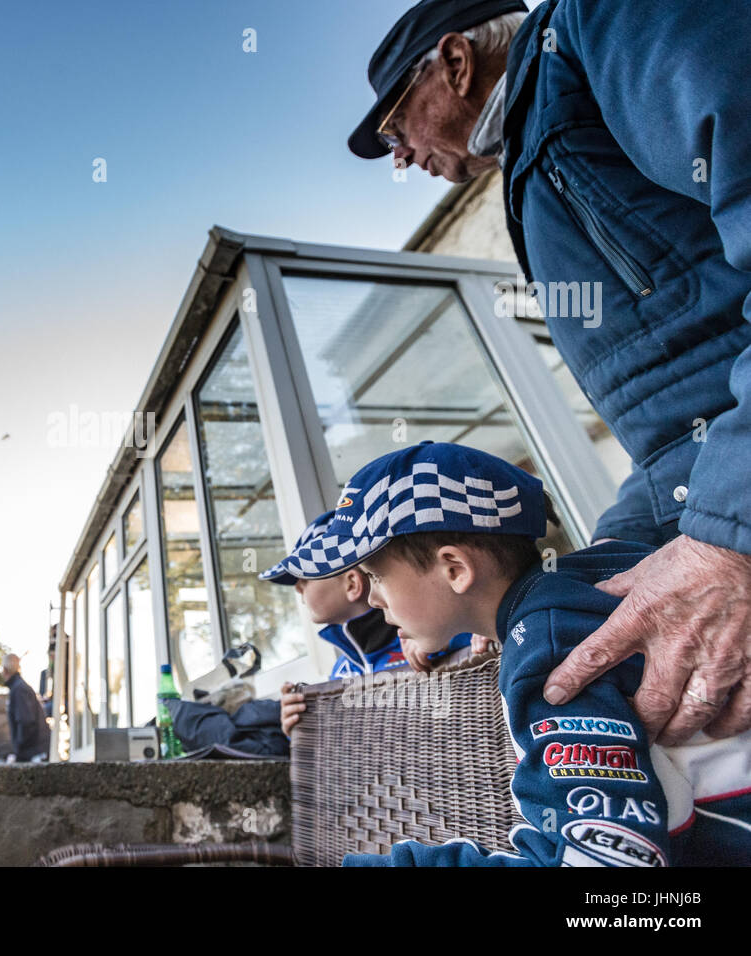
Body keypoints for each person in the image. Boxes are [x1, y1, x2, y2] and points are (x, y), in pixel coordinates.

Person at [346, 0, 751, 748]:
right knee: (558, 636)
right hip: (711, 476)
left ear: (456, 64)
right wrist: (519, 607)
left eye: (395, 128)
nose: (400, 156)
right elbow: (674, 433)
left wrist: (731, 536)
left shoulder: (607, 30)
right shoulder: (531, 164)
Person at [300, 440, 750, 865]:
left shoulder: (547, 653)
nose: (372, 601)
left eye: (375, 577)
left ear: (455, 569)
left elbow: (607, 860)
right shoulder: (576, 591)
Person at [259, 509, 474, 736]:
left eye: (305, 575)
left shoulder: (433, 638)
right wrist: (305, 726)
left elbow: (488, 642)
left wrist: (447, 639)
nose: (297, 587)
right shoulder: (340, 671)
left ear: (352, 583)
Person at [1, 653, 50, 763]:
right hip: (35, 750)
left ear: (5, 670)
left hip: (34, 752)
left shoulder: (19, 689)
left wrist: (17, 751)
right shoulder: (19, 687)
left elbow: (26, 721)